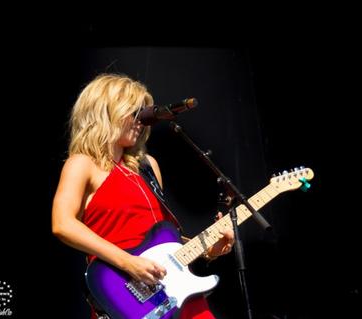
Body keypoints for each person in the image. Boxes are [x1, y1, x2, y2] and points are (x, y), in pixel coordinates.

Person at [52, 73, 235, 319]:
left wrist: (208, 250)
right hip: (124, 294)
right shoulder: (82, 164)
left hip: (174, 292)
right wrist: (129, 262)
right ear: (106, 112)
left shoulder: (148, 166)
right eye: (134, 113)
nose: (142, 121)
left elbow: (159, 238)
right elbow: (63, 224)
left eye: (144, 114)